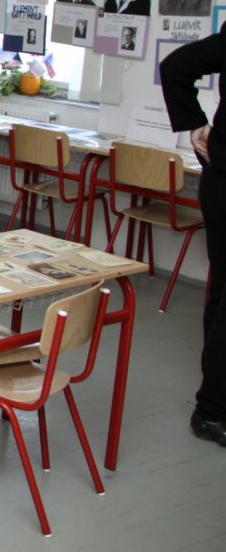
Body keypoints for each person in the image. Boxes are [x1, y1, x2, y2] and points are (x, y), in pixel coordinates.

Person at [159, 33, 226, 446]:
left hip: (219, 179)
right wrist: (197, 124)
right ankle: (213, 408)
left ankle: (213, 402)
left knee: (220, 291)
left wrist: (196, 124)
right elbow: (174, 68)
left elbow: (175, 67)